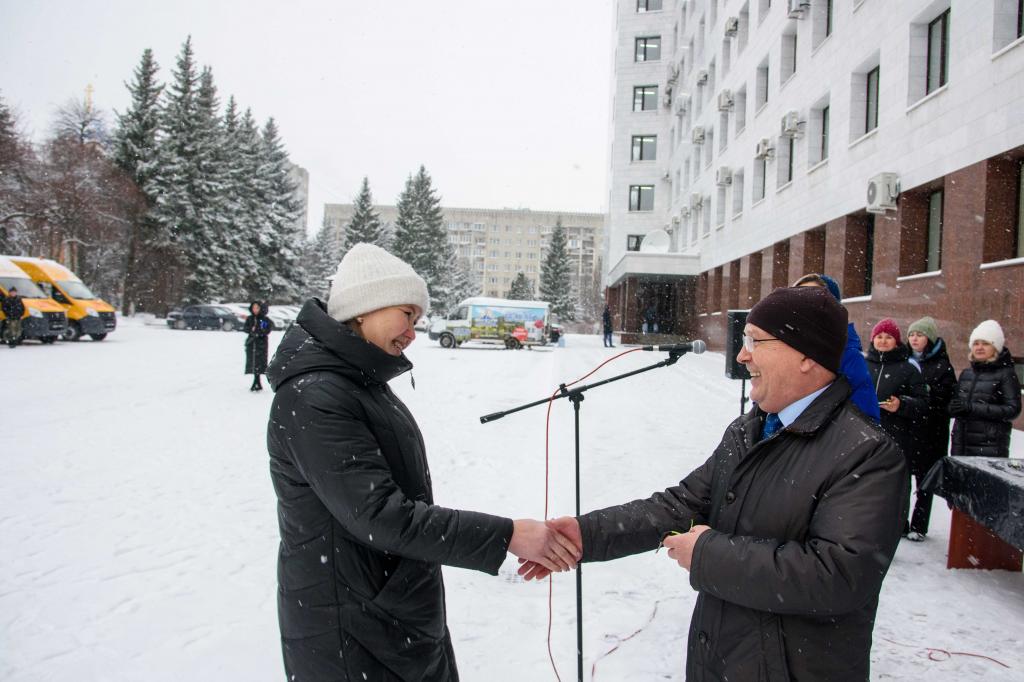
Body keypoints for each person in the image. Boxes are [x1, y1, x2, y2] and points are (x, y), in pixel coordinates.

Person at [520, 286, 907, 681]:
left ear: (806, 355)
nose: (741, 355)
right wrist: (586, 534)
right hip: (722, 660)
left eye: (755, 341)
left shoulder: (866, 454)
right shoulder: (748, 430)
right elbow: (681, 506)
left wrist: (707, 555)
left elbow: (838, 576)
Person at [266, 243, 580, 680]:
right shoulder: (317, 395)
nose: (413, 331)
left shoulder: (358, 383)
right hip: (350, 629)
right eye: (407, 314)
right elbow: (380, 516)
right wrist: (508, 535)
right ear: (364, 308)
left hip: (391, 612)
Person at [865, 318, 928, 538]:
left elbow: (924, 403)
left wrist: (901, 405)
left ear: (897, 341)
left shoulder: (908, 368)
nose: (883, 341)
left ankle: (896, 526)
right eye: (879, 336)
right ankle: (864, 523)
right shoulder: (863, 365)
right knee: (864, 482)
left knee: (894, 485)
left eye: (888, 337)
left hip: (897, 436)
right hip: (864, 433)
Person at [792, 273, 881, 422]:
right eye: (797, 296)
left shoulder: (847, 354)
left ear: (832, 306)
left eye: (813, 296)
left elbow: (865, 420)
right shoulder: (781, 344)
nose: (804, 302)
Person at [905, 316, 957, 539]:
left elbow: (947, 398)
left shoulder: (942, 365)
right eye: (911, 335)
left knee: (924, 482)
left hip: (930, 432)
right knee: (902, 481)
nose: (914, 339)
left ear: (930, 338)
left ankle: (918, 527)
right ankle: (900, 523)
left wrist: (927, 393)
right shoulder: (904, 361)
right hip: (908, 430)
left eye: (920, 334)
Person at [949, 319, 1022, 458]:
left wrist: (972, 408)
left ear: (996, 347)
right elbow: (957, 404)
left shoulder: (1006, 374)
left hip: (990, 447)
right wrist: (953, 408)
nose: (979, 347)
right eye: (976, 343)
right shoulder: (966, 373)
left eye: (985, 343)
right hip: (961, 445)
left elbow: (1012, 409)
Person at [243, 301, 271, 391]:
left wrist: (258, 331)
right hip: (251, 343)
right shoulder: (250, 318)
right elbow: (245, 328)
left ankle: (257, 381)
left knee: (259, 362)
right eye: (253, 308)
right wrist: (251, 330)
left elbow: (266, 330)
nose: (255, 310)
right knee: (253, 362)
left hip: (261, 344)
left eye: (257, 308)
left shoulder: (264, 319)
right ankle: (256, 381)